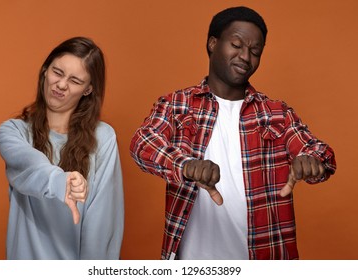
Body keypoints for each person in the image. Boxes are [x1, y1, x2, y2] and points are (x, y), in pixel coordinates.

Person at [130, 6, 336, 260]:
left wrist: (312, 161)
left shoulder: (277, 113)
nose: (245, 57)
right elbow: (142, 142)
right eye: (237, 45)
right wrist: (186, 166)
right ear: (213, 43)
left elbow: (319, 152)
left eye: (255, 51)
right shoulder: (177, 104)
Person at [0, 37, 124, 259]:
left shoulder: (103, 138)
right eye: (58, 72)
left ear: (88, 90)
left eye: (74, 80)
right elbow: (28, 163)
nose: (62, 84)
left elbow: (103, 226)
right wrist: (60, 182)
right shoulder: (12, 131)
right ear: (45, 70)